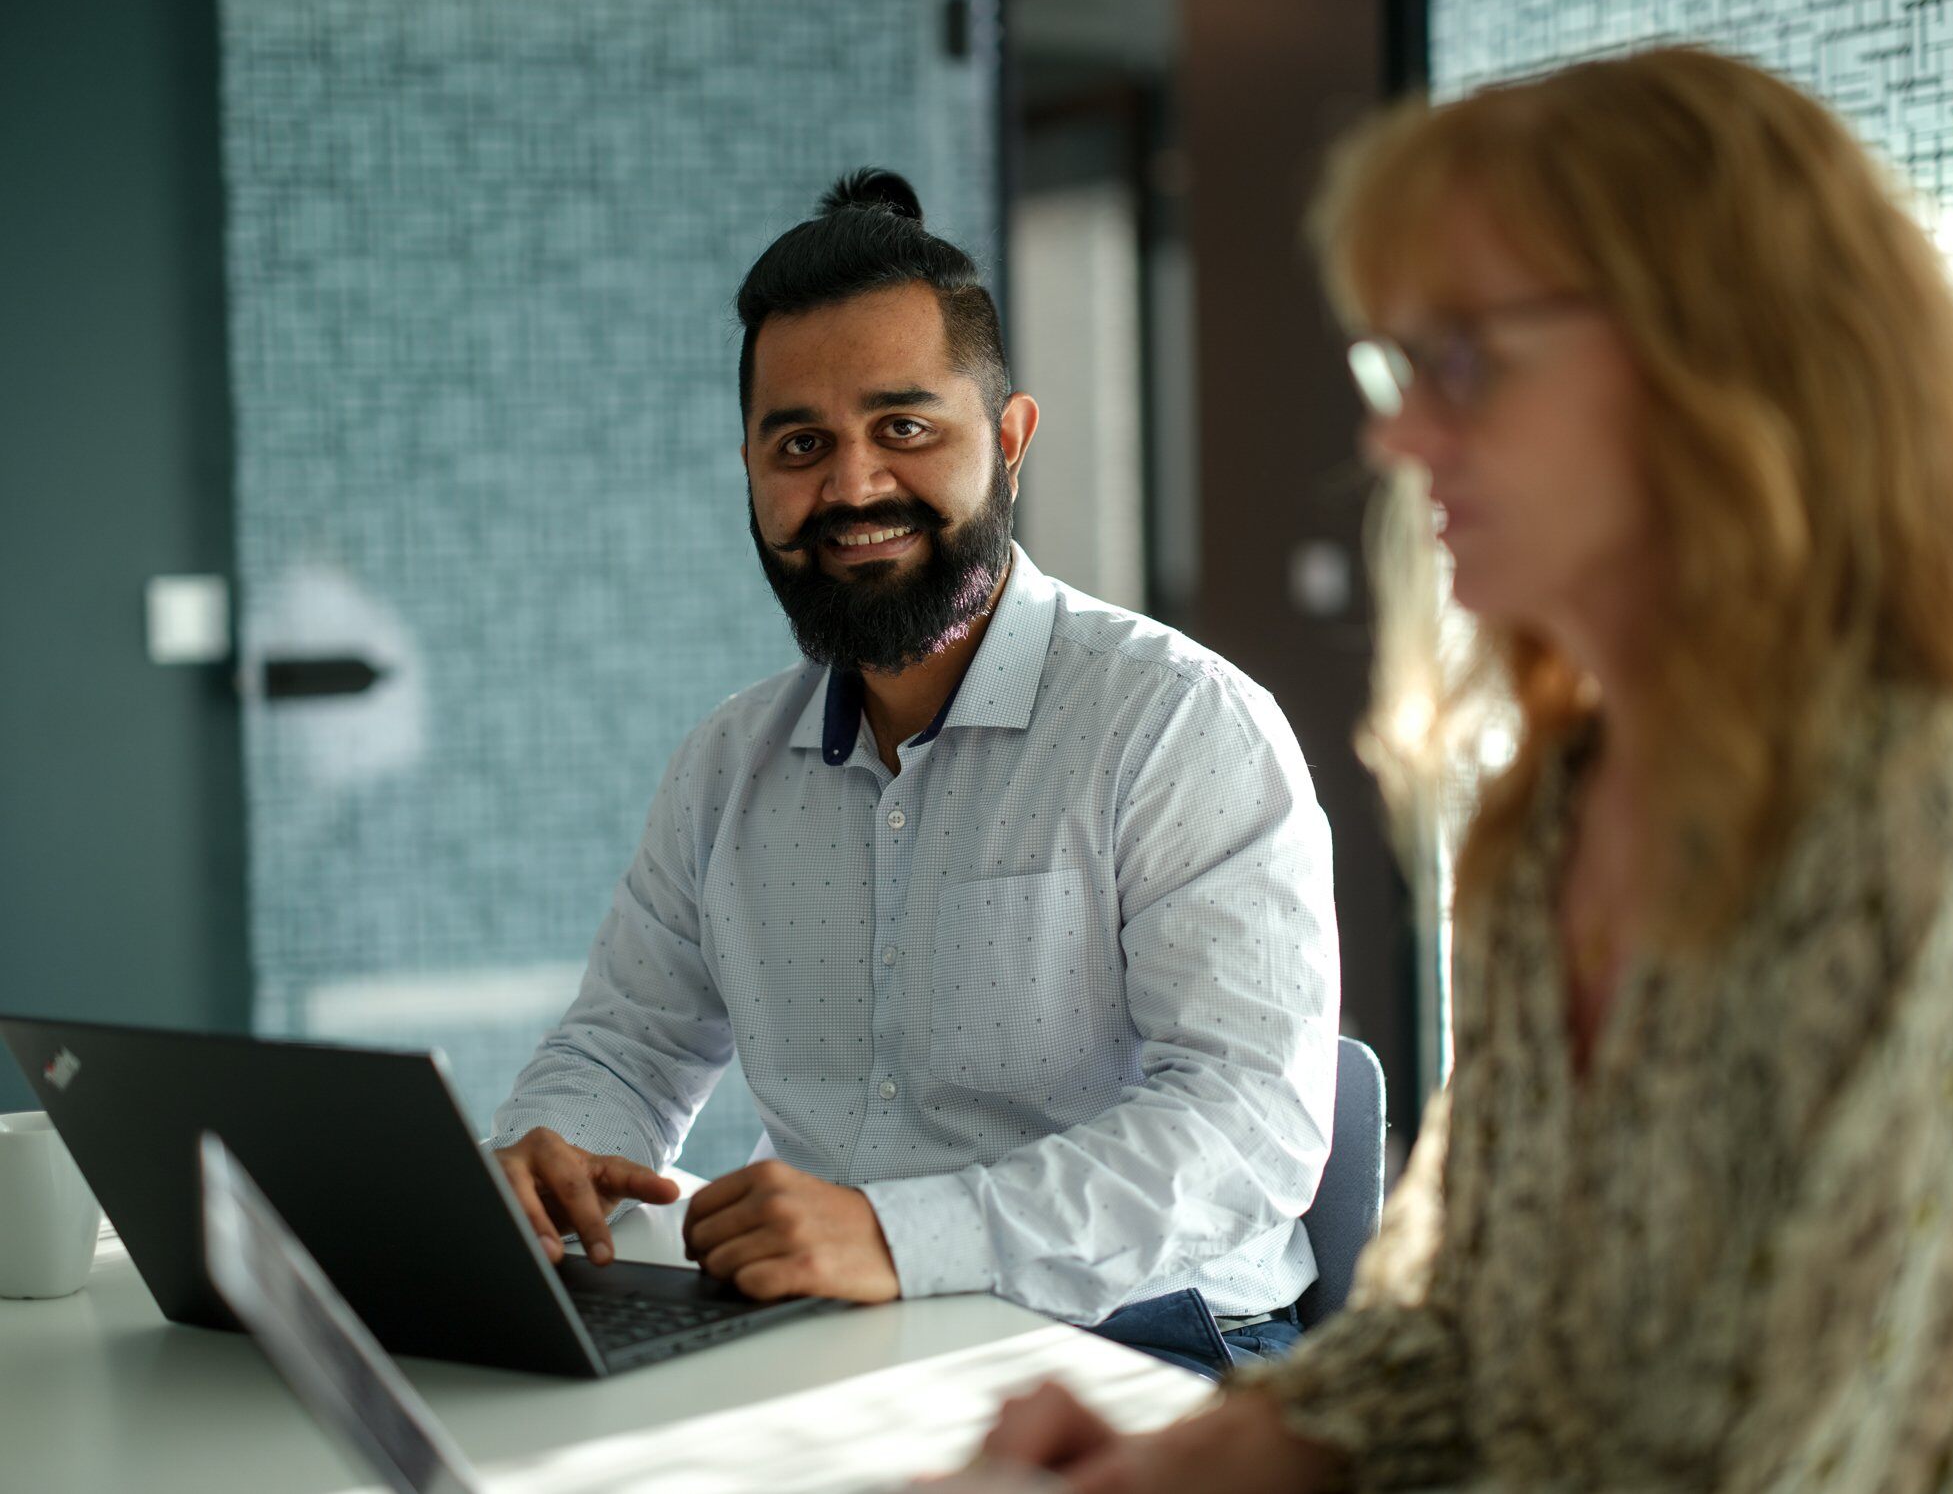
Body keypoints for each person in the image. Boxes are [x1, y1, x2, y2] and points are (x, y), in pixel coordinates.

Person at [970, 45, 1953, 1491]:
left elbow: (1781, 1453)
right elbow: (1457, 1336)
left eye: (1462, 362)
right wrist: (1187, 1462)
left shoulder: (1920, 828)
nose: (1393, 434)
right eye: (1396, 363)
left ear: (1721, 359)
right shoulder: (1556, 809)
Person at [487, 170, 1341, 1377]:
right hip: (852, 1343)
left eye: (904, 429)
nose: (850, 487)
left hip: (1150, 1343)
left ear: (1006, 441)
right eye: (800, 444)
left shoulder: (1174, 724)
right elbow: (624, 1047)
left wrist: (900, 1235)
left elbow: (1250, 1129)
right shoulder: (725, 765)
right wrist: (545, 1155)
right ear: (749, 469)